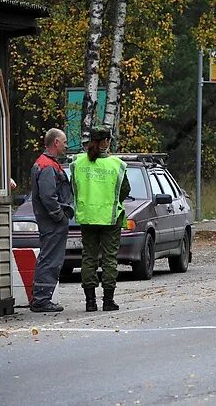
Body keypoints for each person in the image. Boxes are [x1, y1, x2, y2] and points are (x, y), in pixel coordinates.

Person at [70, 126, 130, 312]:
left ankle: (90, 302)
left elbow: (74, 188)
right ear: (106, 142)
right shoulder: (117, 165)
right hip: (110, 219)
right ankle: (108, 300)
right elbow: (125, 190)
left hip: (87, 217)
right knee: (109, 258)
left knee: (88, 257)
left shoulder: (77, 163)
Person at [29, 128, 74, 313]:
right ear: (55, 142)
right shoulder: (47, 166)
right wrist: (59, 216)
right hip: (52, 222)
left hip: (50, 221)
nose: (65, 145)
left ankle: (41, 297)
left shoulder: (45, 163)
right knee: (50, 259)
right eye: (63, 141)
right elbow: (48, 196)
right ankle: (41, 299)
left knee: (48, 257)